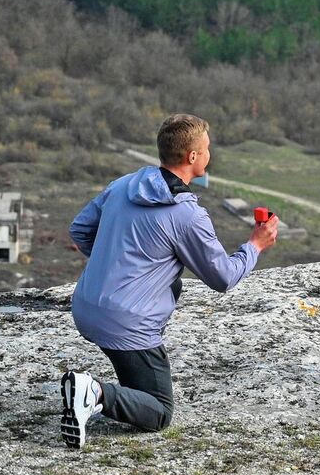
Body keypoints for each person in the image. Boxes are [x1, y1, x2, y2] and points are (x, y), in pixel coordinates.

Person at [59, 113, 278, 448]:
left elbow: (79, 229)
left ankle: (110, 389)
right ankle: (95, 392)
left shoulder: (123, 185)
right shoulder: (186, 215)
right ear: (192, 157)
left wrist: (113, 267)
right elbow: (223, 278)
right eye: (206, 149)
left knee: (169, 284)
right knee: (159, 411)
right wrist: (255, 245)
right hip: (127, 323)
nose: (209, 155)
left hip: (87, 307)